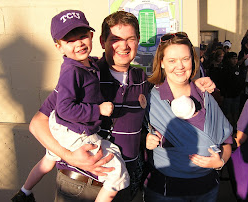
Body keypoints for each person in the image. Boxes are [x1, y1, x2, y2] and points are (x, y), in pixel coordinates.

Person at [27, 11, 216, 202]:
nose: (124, 46)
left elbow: (169, 90)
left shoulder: (141, 79)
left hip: (123, 186)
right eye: (115, 39)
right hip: (81, 185)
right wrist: (70, 157)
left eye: (130, 39)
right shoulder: (84, 74)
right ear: (102, 41)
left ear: (138, 40)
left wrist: (194, 86)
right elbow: (37, 124)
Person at [12, 9, 130, 202]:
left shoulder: (86, 64)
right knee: (116, 170)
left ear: (91, 36)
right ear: (58, 47)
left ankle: (24, 192)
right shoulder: (71, 72)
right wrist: (97, 110)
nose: (79, 43)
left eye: (82, 36)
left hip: (60, 127)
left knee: (49, 159)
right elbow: (65, 109)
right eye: (70, 40)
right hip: (73, 130)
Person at [144, 32, 233, 202]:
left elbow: (227, 141)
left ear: (193, 60)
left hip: (206, 189)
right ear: (161, 63)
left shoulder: (206, 97)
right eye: (172, 60)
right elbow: (132, 132)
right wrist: (146, 139)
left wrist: (220, 162)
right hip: (166, 191)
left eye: (185, 59)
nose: (180, 66)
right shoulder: (151, 99)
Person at [221, 52, 245, 130]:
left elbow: (241, 81)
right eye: (233, 59)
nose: (235, 60)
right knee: (228, 114)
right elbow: (223, 84)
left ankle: (235, 128)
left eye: (236, 59)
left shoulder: (238, 69)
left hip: (236, 95)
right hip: (228, 96)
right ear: (229, 59)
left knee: (236, 113)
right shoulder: (224, 70)